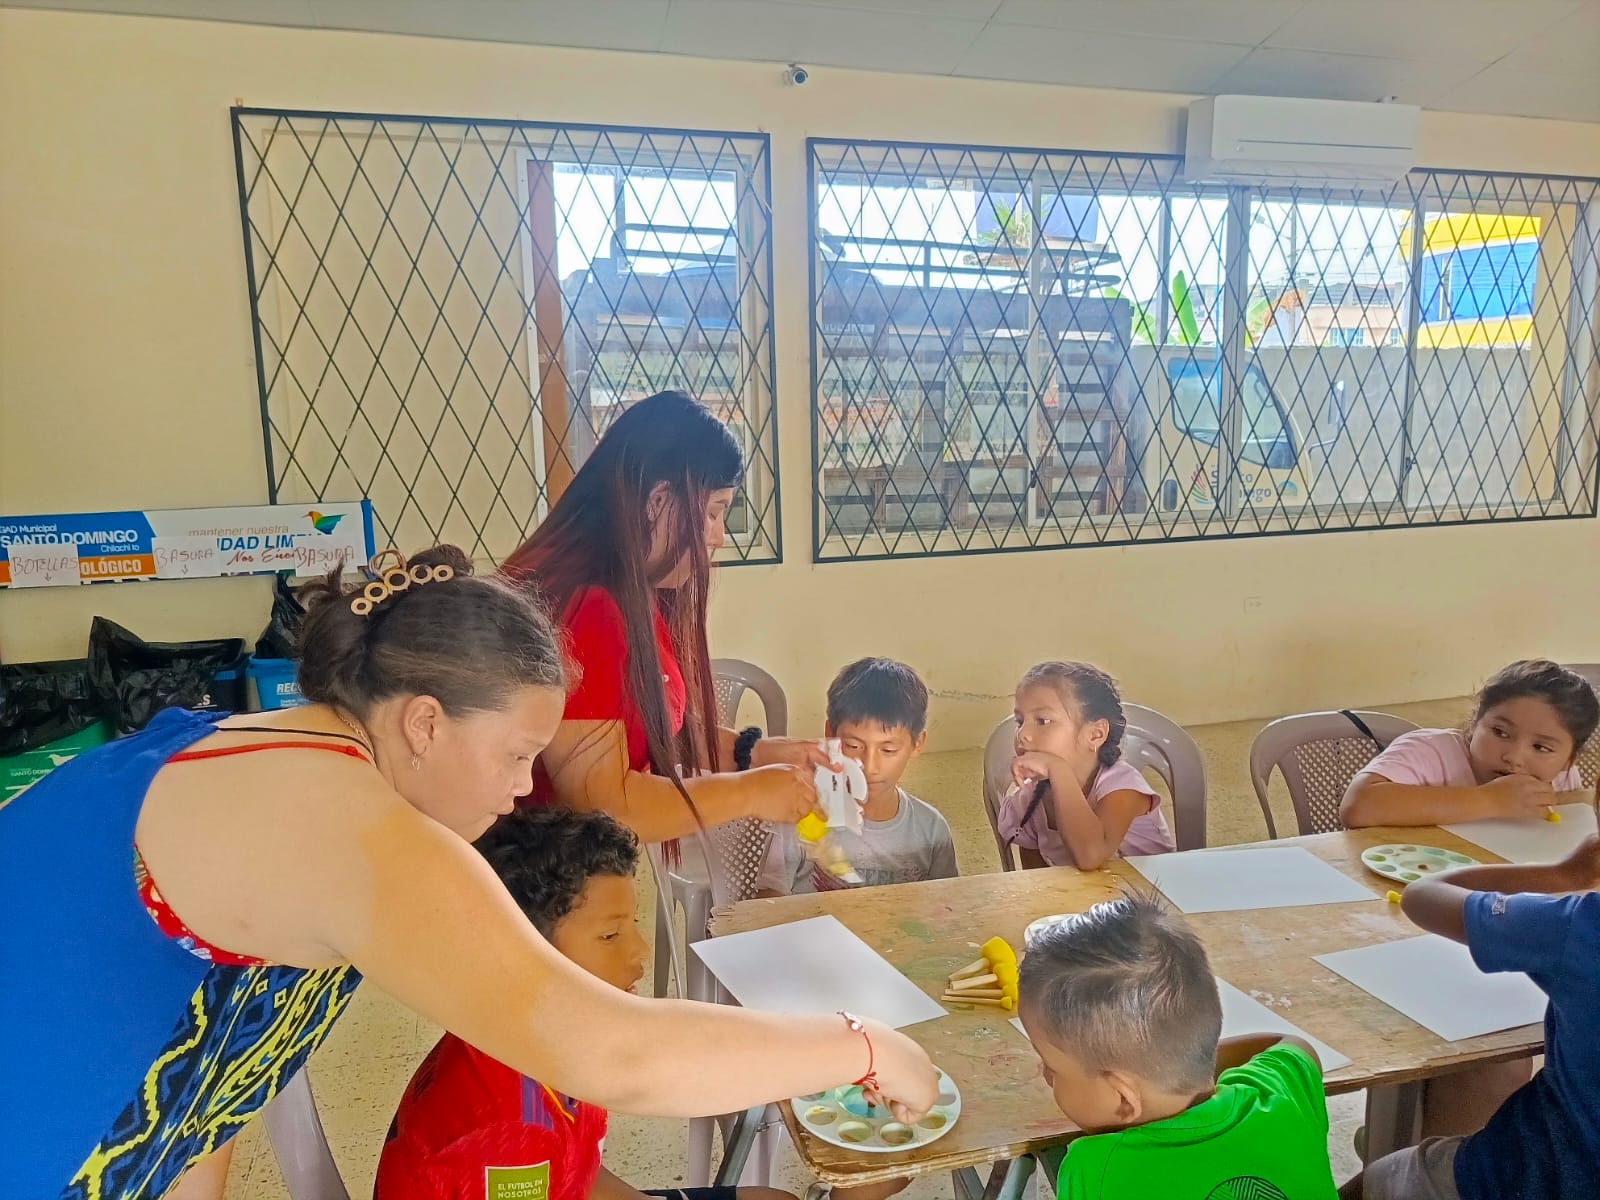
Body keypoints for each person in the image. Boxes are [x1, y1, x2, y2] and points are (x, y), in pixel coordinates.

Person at [0, 546, 938, 1200]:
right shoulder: (351, 828)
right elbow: (613, 1053)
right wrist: (864, 1046)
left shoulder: (270, 747)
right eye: (517, 754)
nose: (527, 785)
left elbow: (207, 1088)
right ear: (423, 722)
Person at [378, 806, 796, 1200]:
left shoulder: (543, 1027)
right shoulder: (511, 1132)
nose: (640, 949)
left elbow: (576, 1170)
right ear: (527, 952)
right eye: (610, 936)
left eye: (632, 924)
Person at [502, 391, 828, 844]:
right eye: (712, 513)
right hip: (530, 868)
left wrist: (752, 753)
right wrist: (750, 791)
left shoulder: (634, 591)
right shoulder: (586, 609)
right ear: (658, 501)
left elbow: (651, 731)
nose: (719, 537)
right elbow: (606, 805)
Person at [1016, 895, 1340, 1200]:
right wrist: (1182, 1058)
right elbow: (1294, 1045)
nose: (1045, 1074)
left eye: (1052, 1068)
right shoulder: (1281, 1093)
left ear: (1124, 1098)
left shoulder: (1095, 1168)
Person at [1346, 835, 1600, 1200]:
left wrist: (1563, 874)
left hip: (1514, 1180)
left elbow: (1421, 895)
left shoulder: (1575, 927)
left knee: (1374, 1182)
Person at [757, 658, 956, 896]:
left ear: (917, 744)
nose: (869, 767)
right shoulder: (800, 815)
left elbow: (947, 904)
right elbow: (768, 902)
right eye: (853, 746)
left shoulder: (931, 829)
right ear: (830, 734)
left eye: (888, 750)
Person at [1341, 659, 1597, 829]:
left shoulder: (1562, 779)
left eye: (1541, 748)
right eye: (1500, 732)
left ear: (1569, 760)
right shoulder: (1431, 751)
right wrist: (1490, 800)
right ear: (1475, 722)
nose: (1514, 757)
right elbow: (1358, 808)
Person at [996, 662, 1175, 870]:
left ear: (1095, 734)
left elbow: (1090, 855)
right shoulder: (1030, 799)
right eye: (1020, 722)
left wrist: (1058, 769)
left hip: (1152, 889)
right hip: (1084, 892)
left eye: (1043, 721)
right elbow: (1037, 880)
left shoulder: (1124, 787)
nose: (1022, 734)